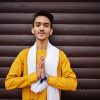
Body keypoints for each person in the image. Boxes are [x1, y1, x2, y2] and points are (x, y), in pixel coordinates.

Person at [5, 10, 77, 100]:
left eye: (46, 25)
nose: (41, 28)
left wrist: (47, 78)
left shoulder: (60, 55)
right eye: (38, 25)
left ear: (51, 31)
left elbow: (72, 84)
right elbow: (9, 83)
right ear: (32, 29)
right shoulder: (24, 55)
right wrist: (35, 76)